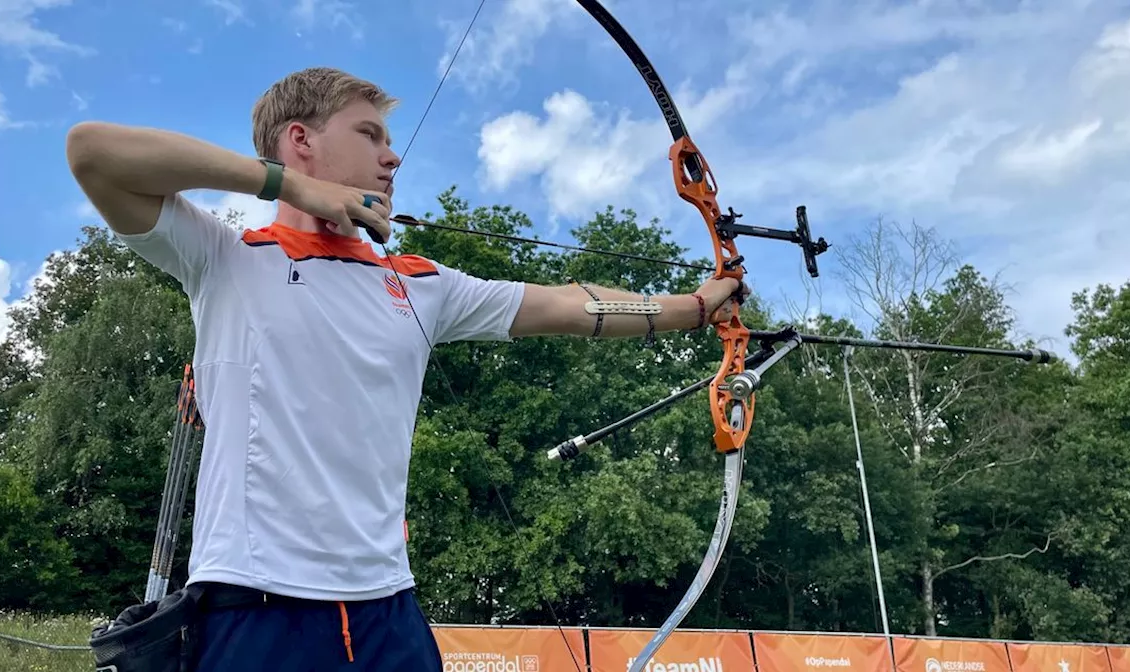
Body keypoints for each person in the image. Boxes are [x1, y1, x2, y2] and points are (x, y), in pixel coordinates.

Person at [66, 66, 746, 671]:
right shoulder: (226, 259)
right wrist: (287, 186)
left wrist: (695, 305)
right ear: (299, 140)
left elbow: (571, 306)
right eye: (369, 135)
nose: (391, 157)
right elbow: (92, 152)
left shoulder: (421, 285)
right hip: (258, 607)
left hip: (389, 609)